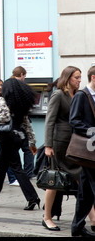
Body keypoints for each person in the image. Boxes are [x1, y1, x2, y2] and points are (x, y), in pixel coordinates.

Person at [0, 77, 40, 210]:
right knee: (2, 166)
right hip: (19, 136)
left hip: (8, 136)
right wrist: (32, 141)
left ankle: (32, 197)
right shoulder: (21, 102)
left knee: (16, 168)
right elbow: (26, 123)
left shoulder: (2, 100)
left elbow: (5, 117)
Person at [43, 66, 82, 231]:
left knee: (82, 179)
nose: (79, 80)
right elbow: (49, 120)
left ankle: (92, 218)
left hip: (73, 144)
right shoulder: (59, 94)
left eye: (80, 77)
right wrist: (48, 145)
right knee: (53, 181)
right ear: (67, 78)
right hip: (59, 144)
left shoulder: (77, 95)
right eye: (76, 78)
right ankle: (47, 217)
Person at [69, 66, 95, 237]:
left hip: (92, 151)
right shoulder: (81, 96)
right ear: (94, 77)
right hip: (88, 150)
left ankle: (77, 227)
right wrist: (92, 131)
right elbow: (74, 121)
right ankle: (78, 226)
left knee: (85, 192)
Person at [0, 76, 18, 186]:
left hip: (3, 130)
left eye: (1, 85)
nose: (0, 87)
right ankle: (12, 178)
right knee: (6, 155)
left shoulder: (6, 97)